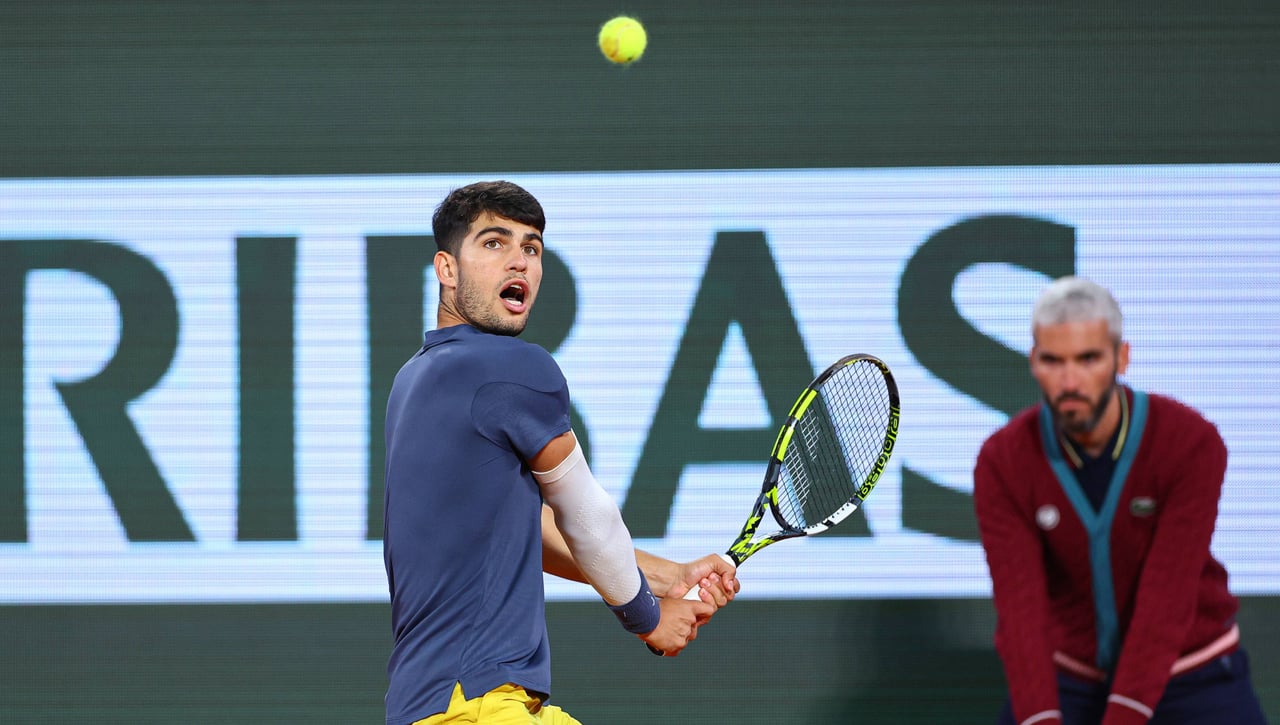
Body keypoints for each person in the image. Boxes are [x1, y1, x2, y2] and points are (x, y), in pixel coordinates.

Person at [382, 180, 740, 725]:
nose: (519, 262)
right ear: (446, 269)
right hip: (476, 706)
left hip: (441, 705)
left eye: (531, 248)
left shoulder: (414, 380)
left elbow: (528, 531)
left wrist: (666, 577)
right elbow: (585, 516)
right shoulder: (512, 368)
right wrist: (648, 618)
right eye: (494, 243)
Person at [973, 276, 1267, 725]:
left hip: (1193, 672)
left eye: (1088, 359)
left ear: (1121, 358)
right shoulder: (1003, 460)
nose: (1070, 380)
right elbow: (1020, 613)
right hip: (1070, 677)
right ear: (1033, 362)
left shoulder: (1190, 443)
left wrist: (1124, 716)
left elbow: (1166, 599)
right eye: (1053, 360)